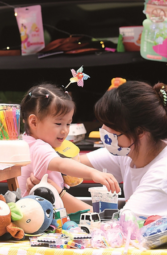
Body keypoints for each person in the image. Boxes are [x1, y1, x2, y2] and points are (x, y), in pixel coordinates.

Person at [28, 81, 167, 218]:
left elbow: (120, 224)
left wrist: (58, 195)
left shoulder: (161, 176)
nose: (103, 129)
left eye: (110, 125)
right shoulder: (128, 152)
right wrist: (42, 170)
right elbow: (72, 163)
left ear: (139, 132)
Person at [18, 83, 120, 213]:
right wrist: (93, 173)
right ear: (33, 122)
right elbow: (61, 163)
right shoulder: (39, 147)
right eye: (58, 123)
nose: (65, 130)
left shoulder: (26, 141)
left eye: (68, 123)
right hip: (39, 217)